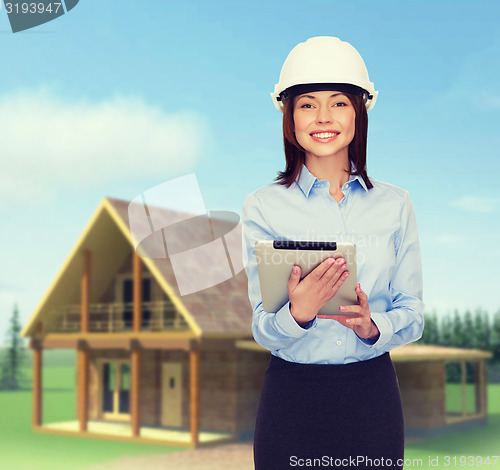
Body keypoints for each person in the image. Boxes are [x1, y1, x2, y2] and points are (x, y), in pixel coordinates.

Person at [241, 36, 425, 470]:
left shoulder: (396, 205)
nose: (323, 117)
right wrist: (298, 313)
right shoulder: (261, 206)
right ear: (288, 116)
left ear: (359, 111)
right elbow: (263, 329)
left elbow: (413, 313)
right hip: (291, 399)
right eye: (307, 104)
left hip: (371, 399)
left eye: (339, 103)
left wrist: (373, 327)